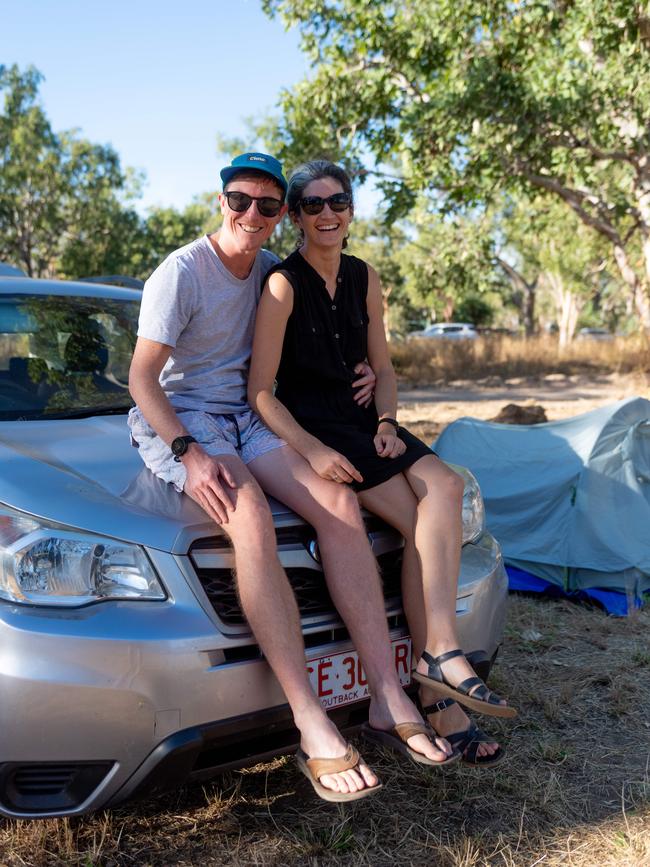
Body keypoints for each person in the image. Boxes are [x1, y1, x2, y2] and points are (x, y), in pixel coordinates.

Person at [128, 152, 456, 803]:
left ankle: (389, 696)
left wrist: (362, 372)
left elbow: (313, 342)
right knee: (247, 516)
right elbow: (141, 380)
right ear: (221, 199)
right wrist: (190, 453)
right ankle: (311, 719)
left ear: (283, 215)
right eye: (240, 199)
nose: (252, 214)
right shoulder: (181, 272)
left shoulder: (274, 273)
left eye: (267, 205)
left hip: (247, 415)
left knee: (337, 501)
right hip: (186, 419)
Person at [248, 159, 517, 768]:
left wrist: (389, 423)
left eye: (337, 201)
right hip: (321, 431)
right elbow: (260, 392)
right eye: (312, 204)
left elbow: (385, 368)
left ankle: (438, 654)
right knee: (413, 518)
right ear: (294, 216)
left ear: (351, 209)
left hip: (369, 424)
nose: (327, 214)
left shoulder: (366, 278)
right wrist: (314, 451)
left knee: (445, 486)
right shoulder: (282, 286)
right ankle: (438, 686)